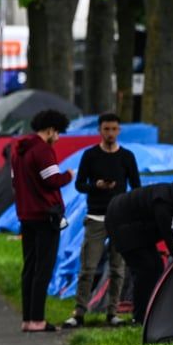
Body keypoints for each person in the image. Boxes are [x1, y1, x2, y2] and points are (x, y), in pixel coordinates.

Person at [64, 112, 140, 329]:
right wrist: (95, 186)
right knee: (88, 267)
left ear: (119, 131)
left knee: (117, 268)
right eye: (106, 129)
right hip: (96, 216)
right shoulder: (90, 155)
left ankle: (112, 312)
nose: (110, 133)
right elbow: (79, 185)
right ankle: (79, 312)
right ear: (99, 130)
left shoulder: (127, 157)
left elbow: (136, 186)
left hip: (119, 218)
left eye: (114, 129)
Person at [105, 179, 173, 325]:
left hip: (140, 227)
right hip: (121, 222)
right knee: (146, 269)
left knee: (155, 267)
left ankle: (148, 314)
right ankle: (141, 318)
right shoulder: (164, 204)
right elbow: (172, 241)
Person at [11, 109, 74, 333]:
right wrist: (69, 175)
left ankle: (27, 319)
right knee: (43, 268)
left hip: (26, 215)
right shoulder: (43, 150)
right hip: (46, 216)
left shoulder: (18, 151)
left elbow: (14, 182)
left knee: (29, 267)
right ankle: (38, 319)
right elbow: (52, 180)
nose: (57, 138)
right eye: (57, 133)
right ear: (50, 130)